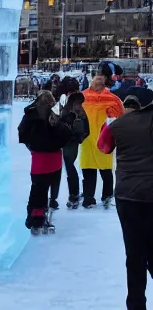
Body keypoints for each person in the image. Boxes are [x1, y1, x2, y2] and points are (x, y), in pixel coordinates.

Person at [97, 93, 153, 310]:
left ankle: (136, 304)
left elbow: (103, 147)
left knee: (135, 254)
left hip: (128, 197)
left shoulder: (118, 125)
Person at [18, 91, 73, 232]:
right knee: (47, 186)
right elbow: (65, 134)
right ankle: (43, 213)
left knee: (37, 187)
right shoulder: (55, 113)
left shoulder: (31, 114)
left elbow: (22, 131)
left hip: (38, 157)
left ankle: (35, 217)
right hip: (54, 157)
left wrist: (30, 145)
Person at [81, 75, 124, 208]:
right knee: (104, 169)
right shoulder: (112, 98)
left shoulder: (83, 96)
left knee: (90, 169)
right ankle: (105, 196)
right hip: (102, 137)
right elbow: (120, 114)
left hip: (90, 138)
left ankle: (89, 197)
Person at [51, 78, 89, 210]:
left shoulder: (75, 103)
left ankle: (74, 195)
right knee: (68, 167)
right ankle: (73, 195)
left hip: (69, 140)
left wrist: (73, 135)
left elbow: (80, 123)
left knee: (69, 167)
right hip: (69, 139)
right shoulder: (73, 101)